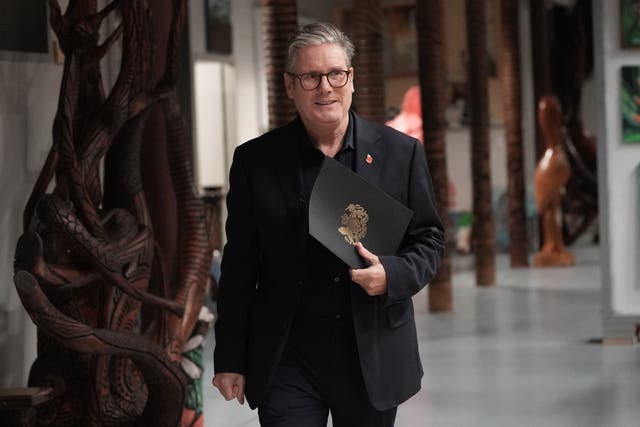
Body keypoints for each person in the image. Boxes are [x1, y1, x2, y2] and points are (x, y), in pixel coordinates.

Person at [212, 22, 444, 427]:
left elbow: (428, 239)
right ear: (289, 86)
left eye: (337, 74)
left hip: (370, 350)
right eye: (310, 77)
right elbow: (238, 267)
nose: (326, 88)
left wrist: (391, 275)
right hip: (288, 354)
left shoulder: (399, 154)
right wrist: (230, 357)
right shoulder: (256, 162)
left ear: (351, 79)